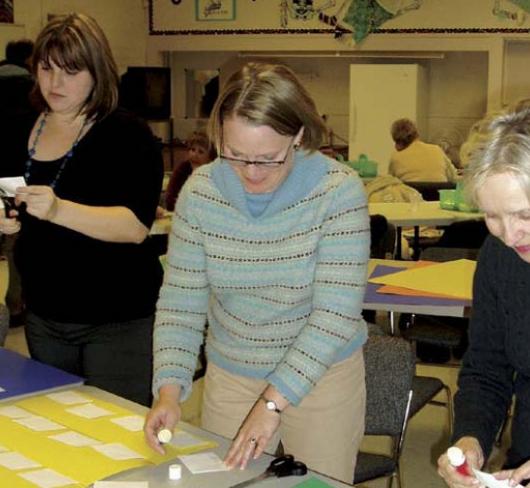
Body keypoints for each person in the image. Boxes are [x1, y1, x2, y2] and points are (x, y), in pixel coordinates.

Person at [144, 62, 370, 483]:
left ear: (299, 135)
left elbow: (334, 317)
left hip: (323, 376)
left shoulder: (338, 190)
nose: (250, 172)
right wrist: (169, 391)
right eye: (235, 155)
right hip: (233, 372)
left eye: (268, 159)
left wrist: (271, 404)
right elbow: (181, 303)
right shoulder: (202, 192)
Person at [0, 13, 163, 406]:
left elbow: (135, 227)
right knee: (60, 427)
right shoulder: (18, 127)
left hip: (118, 319)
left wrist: (58, 211)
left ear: (97, 72)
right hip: (45, 314)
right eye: (46, 68)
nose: (55, 83)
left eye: (71, 71)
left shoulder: (128, 134)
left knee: (116, 430)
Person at [437, 102, 530, 487]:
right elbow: (487, 368)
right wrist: (471, 438)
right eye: (492, 216)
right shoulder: (499, 257)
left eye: (524, 215)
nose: (509, 235)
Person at [389, 118, 458, 182]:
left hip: (411, 194)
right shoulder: (437, 150)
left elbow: (391, 182)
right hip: (438, 194)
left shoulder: (396, 157)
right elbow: (453, 177)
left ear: (397, 142)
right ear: (417, 134)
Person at [164, 130, 216, 211]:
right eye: (192, 149)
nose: (195, 155)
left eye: (201, 152)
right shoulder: (182, 169)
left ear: (210, 158)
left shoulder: (215, 175)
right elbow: (170, 201)